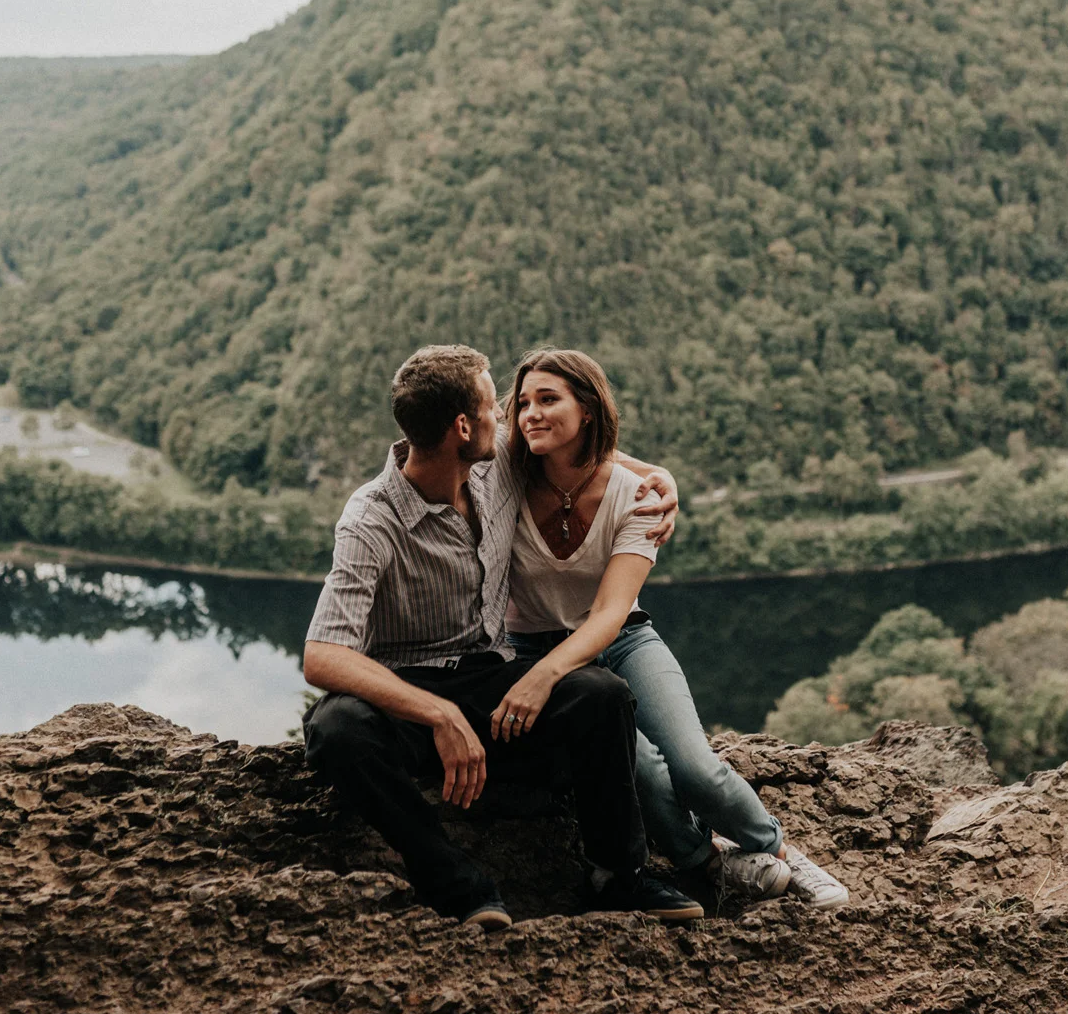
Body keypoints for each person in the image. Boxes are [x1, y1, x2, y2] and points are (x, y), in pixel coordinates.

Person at [301, 344, 705, 929]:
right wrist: (439, 715)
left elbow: (581, 450)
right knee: (336, 729)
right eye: (496, 408)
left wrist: (657, 477)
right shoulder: (370, 517)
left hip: (489, 676)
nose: (510, 419)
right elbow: (322, 655)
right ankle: (459, 887)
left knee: (601, 696)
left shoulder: (493, 468)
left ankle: (618, 876)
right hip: (406, 695)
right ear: (463, 427)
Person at [487, 348, 850, 910]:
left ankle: (774, 849)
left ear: (587, 409)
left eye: (548, 399)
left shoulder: (637, 497)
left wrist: (542, 679)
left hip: (624, 639)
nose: (530, 413)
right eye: (524, 403)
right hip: (536, 646)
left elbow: (611, 612)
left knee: (695, 766)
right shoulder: (506, 477)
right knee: (647, 774)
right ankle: (705, 862)